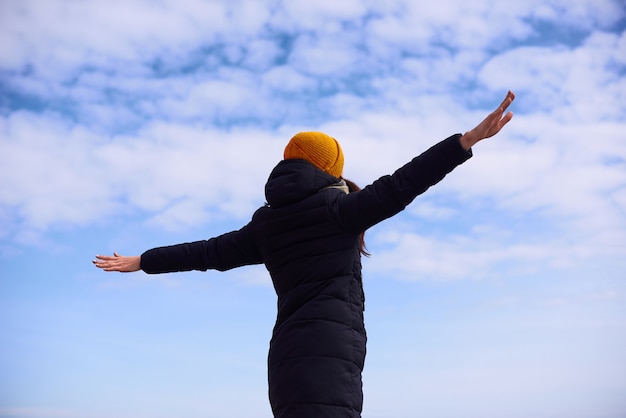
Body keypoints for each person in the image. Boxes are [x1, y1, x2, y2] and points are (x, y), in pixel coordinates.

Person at [94, 91, 515, 418]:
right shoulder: (340, 211)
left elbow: (206, 252)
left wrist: (143, 260)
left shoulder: (267, 225)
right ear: (331, 169)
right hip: (329, 360)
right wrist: (465, 142)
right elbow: (403, 183)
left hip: (287, 363)